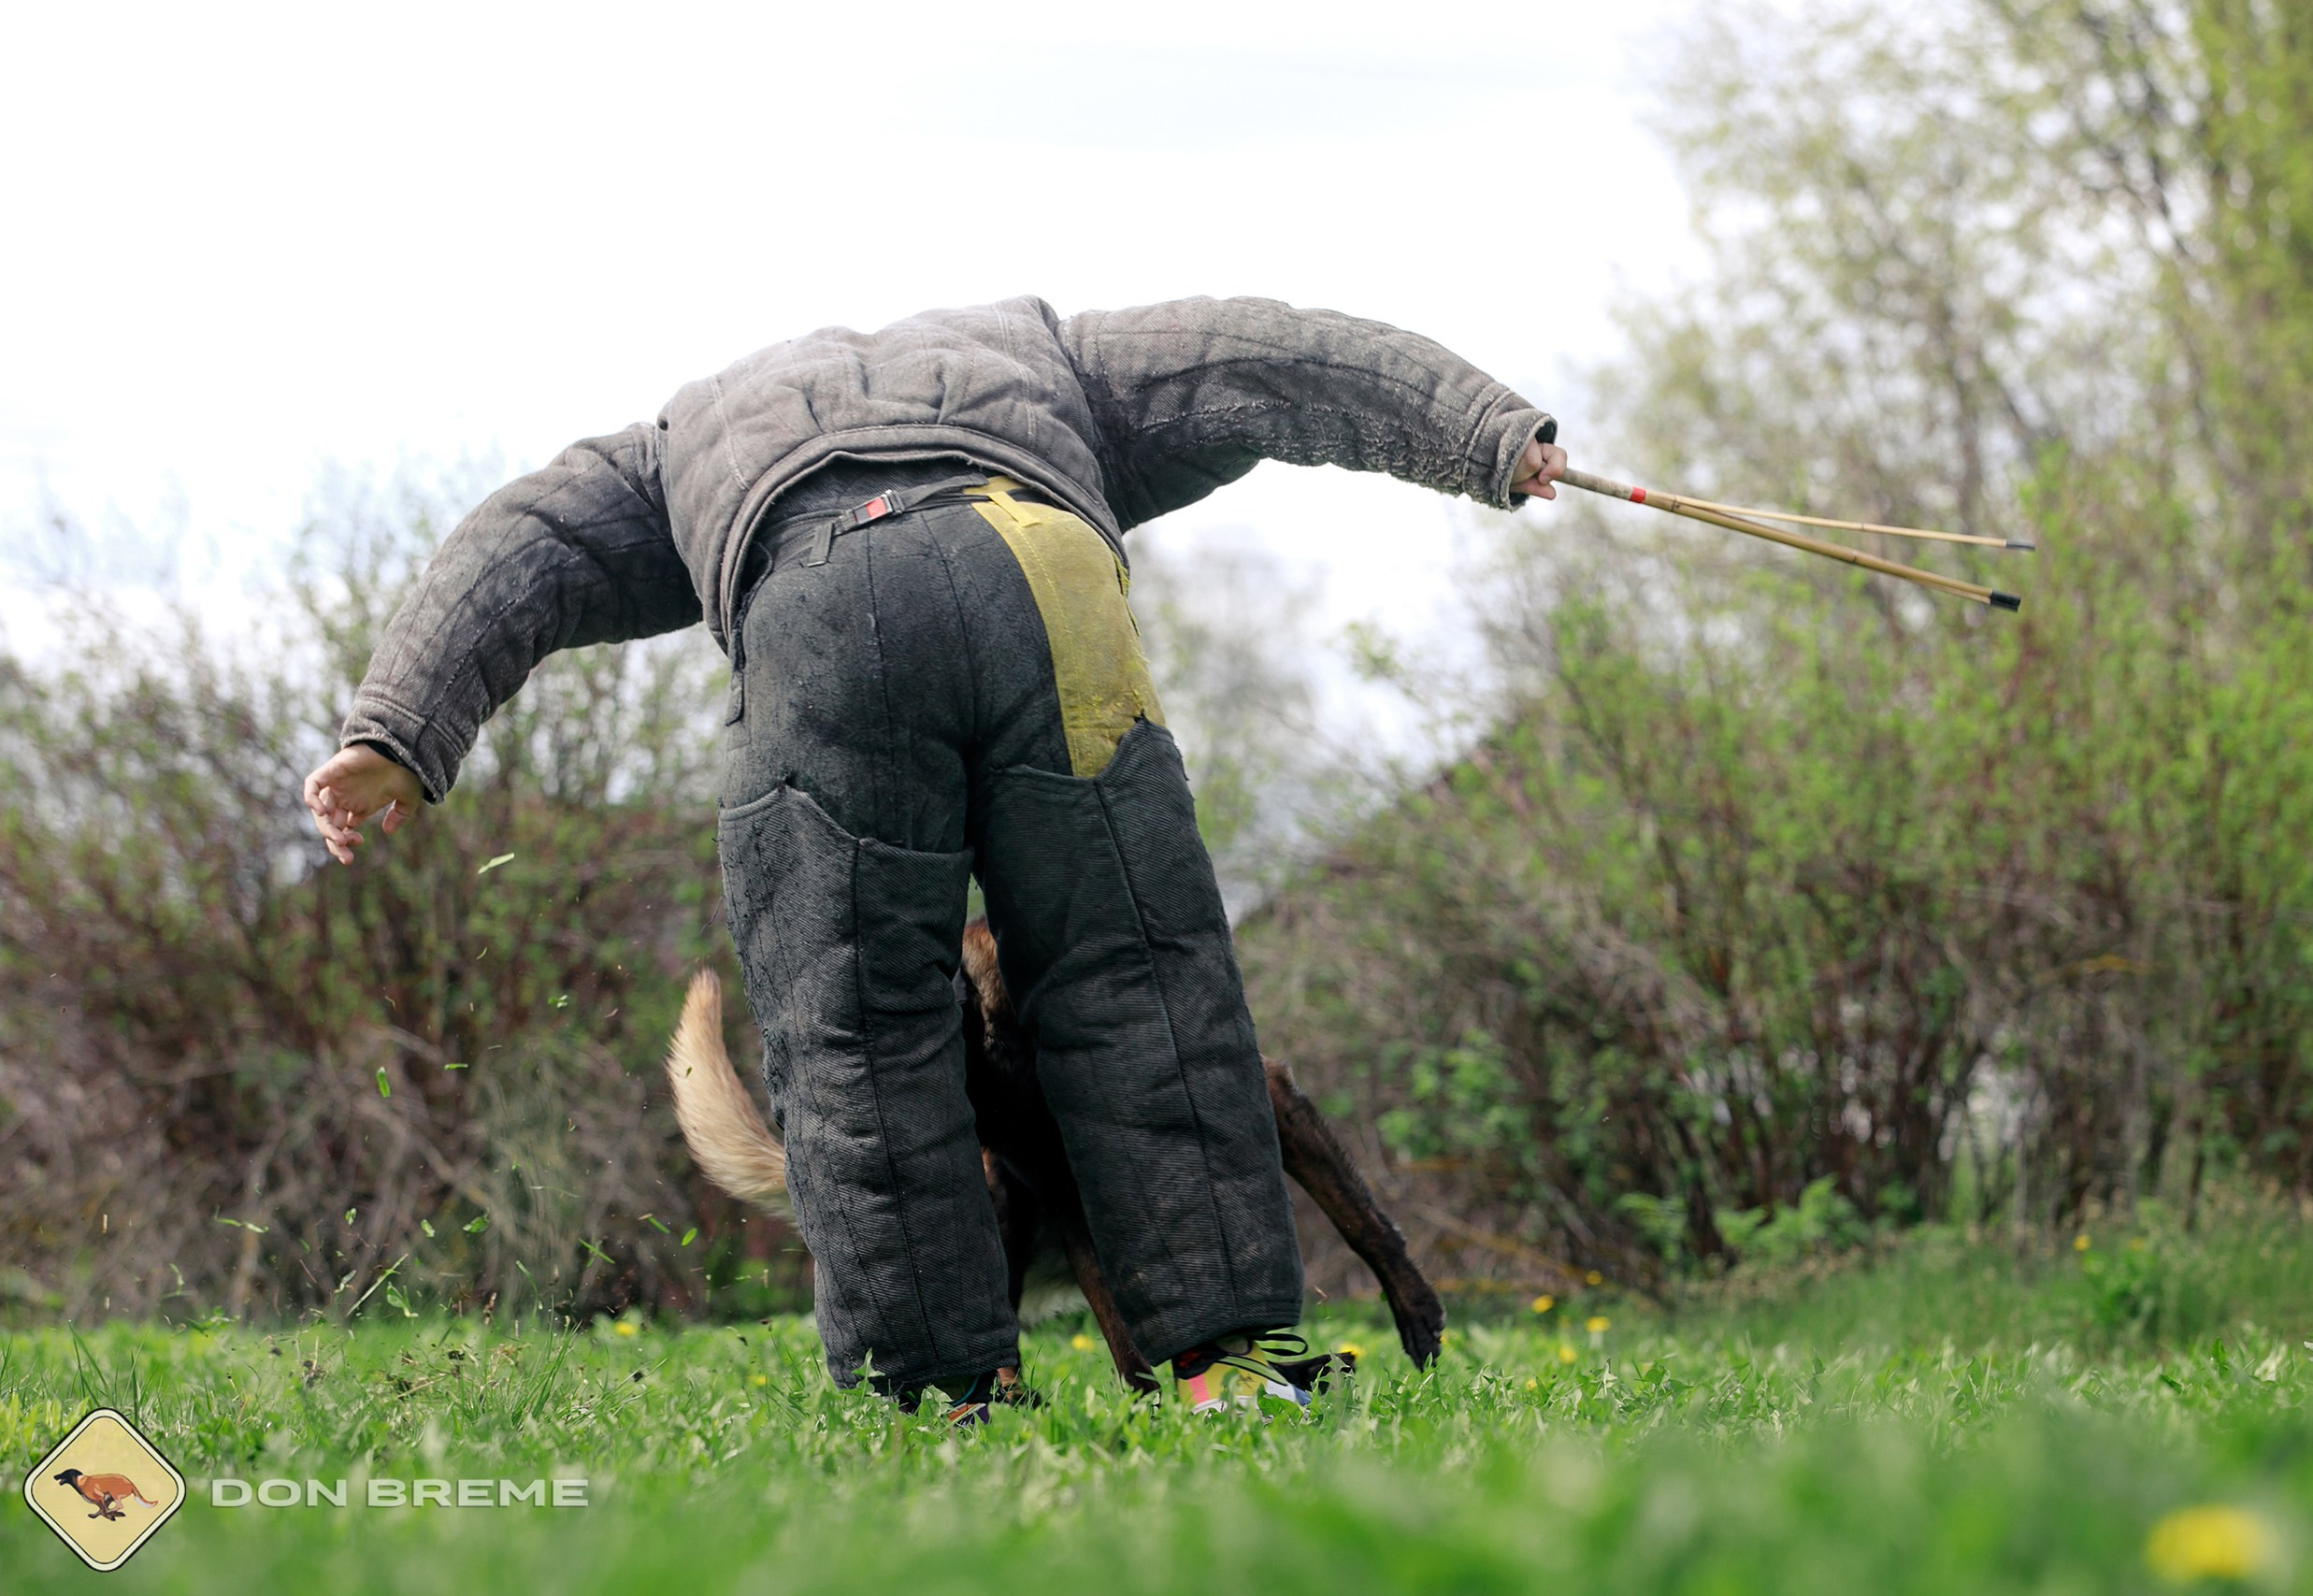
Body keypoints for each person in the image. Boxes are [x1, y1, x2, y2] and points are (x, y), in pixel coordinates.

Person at [305, 295, 1564, 1420]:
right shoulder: (1053, 355)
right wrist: (1486, 433)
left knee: (858, 1019)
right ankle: (1230, 1362)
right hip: (1043, 569)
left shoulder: (675, 444)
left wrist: (397, 736)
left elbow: (520, 550)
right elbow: (1272, 359)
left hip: (817, 601)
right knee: (1144, 976)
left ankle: (945, 1390)